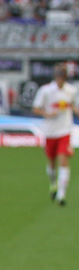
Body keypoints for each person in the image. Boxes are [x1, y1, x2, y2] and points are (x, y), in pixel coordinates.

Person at [32, 62, 78, 206]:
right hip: (50, 132)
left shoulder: (71, 90)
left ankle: (61, 195)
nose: (60, 80)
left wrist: (73, 108)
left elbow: (75, 107)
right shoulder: (45, 90)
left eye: (63, 77)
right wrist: (47, 114)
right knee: (51, 163)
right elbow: (36, 108)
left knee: (63, 160)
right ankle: (53, 183)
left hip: (64, 131)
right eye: (59, 77)